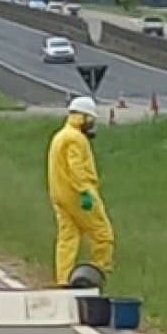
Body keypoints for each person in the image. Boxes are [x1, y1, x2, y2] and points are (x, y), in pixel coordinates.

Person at [46, 96, 114, 286]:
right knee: (102, 233)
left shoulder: (60, 136)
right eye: (91, 119)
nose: (92, 124)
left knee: (68, 237)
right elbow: (77, 169)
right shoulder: (76, 139)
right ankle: (98, 273)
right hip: (79, 195)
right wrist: (85, 192)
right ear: (83, 117)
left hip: (60, 195)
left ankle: (64, 279)